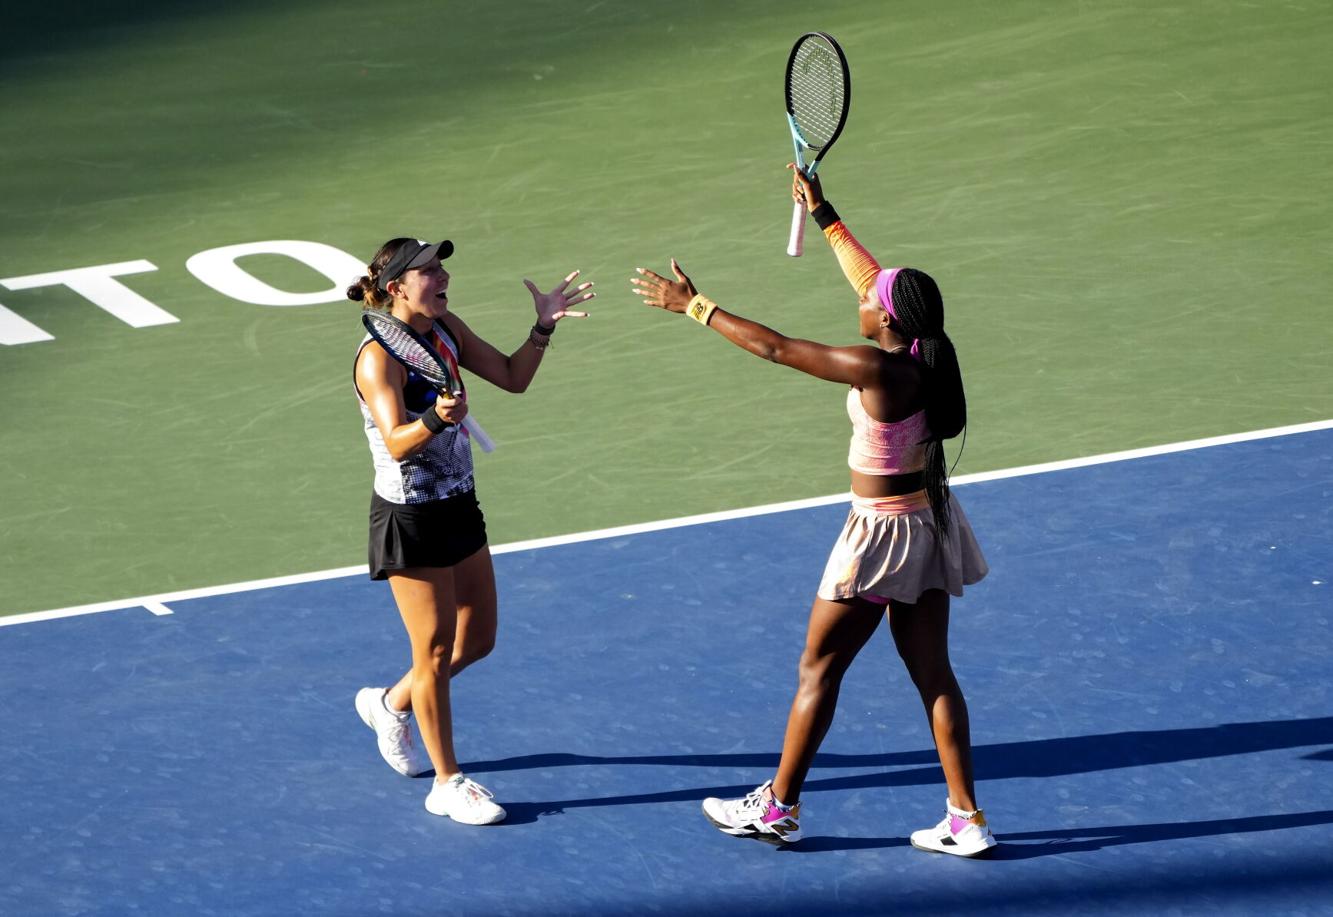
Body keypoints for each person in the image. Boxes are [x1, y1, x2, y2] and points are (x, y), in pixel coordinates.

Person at [629, 167, 995, 856]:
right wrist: (824, 213)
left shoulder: (876, 368)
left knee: (817, 667)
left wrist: (695, 306)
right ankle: (965, 817)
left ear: (885, 320)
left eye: (872, 298)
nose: (862, 293)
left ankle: (778, 806)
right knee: (933, 674)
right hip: (926, 524)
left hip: (878, 536)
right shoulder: (922, 354)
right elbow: (868, 276)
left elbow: (775, 347)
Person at [348, 237, 592, 824]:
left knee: (476, 640)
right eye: (428, 271)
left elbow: (512, 377)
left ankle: (390, 702)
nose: (442, 276)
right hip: (411, 518)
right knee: (431, 651)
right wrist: (433, 418)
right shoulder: (377, 357)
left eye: (441, 267)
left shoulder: (445, 328)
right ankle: (448, 783)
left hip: (459, 504)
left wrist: (543, 328)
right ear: (397, 287)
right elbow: (396, 442)